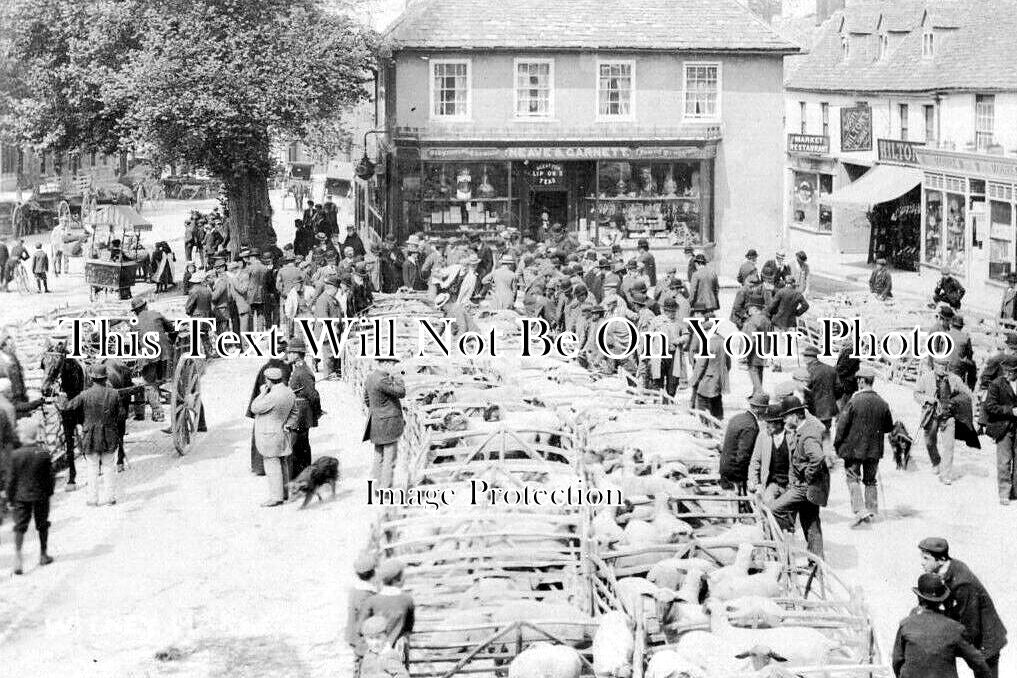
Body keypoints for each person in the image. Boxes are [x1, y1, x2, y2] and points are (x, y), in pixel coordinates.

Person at [918, 538, 1007, 676]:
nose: (922, 562)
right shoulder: (947, 568)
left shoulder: (962, 584)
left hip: (986, 642)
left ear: (941, 559)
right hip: (976, 635)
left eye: (926, 558)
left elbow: (971, 627)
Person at [892, 573, 992, 678]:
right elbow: (978, 663)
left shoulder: (906, 625)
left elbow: (897, 662)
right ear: (941, 601)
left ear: (919, 598)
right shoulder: (955, 629)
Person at [772, 395, 829, 559]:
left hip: (806, 486)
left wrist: (808, 476)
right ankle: (817, 560)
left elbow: (818, 457)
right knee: (810, 520)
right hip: (811, 486)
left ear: (795, 416)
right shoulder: (801, 430)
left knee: (774, 509)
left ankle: (785, 548)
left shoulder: (807, 434)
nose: (783, 420)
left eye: (785, 417)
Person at [835, 366, 894, 525]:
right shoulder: (883, 403)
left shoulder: (853, 402)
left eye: (858, 380)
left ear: (861, 381)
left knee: (852, 478)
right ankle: (873, 511)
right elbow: (889, 427)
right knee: (870, 480)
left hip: (853, 449)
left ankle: (860, 510)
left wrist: (837, 444)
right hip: (874, 449)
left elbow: (841, 426)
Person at [58, 364, 123, 507]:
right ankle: (110, 498)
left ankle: (93, 500)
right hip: (109, 437)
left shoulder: (84, 395)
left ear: (92, 378)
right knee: (108, 467)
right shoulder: (114, 394)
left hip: (90, 438)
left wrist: (61, 398)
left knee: (92, 468)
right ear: (106, 378)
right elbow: (121, 415)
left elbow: (67, 407)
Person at [6, 417, 55, 575]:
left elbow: (11, 480)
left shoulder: (15, 455)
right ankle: (43, 554)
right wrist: (49, 492)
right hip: (41, 495)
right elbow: (50, 478)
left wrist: (10, 498)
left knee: (20, 527)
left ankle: (18, 558)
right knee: (42, 524)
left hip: (21, 496)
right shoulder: (43, 453)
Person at [42, 333, 85, 491]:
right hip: (65, 398)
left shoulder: (73, 366)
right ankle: (72, 475)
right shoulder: (56, 366)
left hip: (76, 396)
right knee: (68, 438)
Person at [249, 367, 295, 507]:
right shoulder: (289, 392)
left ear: (269, 381)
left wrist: (262, 393)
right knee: (283, 463)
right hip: (282, 432)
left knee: (272, 465)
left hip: (269, 435)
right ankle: (285, 493)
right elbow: (294, 413)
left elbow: (254, 407)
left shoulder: (271, 396)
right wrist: (287, 425)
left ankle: (276, 497)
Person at [246, 354, 292, 477]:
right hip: (277, 409)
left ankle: (259, 467)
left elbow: (257, 392)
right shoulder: (285, 368)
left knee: (260, 437)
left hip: (263, 407)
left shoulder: (265, 367)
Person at [363, 356, 406, 490]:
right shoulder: (382, 379)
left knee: (378, 456)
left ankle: (376, 487)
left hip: (376, 422)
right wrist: (398, 376)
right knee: (389, 459)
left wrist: (378, 410)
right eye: (393, 364)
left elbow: (366, 398)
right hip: (387, 424)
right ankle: (385, 489)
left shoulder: (371, 377)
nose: (394, 368)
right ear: (386, 363)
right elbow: (401, 392)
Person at [357, 559, 415, 655]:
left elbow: (360, 629)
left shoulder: (371, 601)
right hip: (397, 652)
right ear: (398, 579)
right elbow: (409, 628)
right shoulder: (407, 600)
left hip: (375, 651)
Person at [131, 297, 175, 422]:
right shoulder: (156, 314)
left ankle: (158, 413)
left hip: (148, 357)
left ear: (135, 311)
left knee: (149, 384)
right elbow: (171, 329)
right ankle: (161, 385)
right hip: (165, 353)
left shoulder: (134, 322)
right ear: (145, 306)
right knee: (159, 379)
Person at [719, 393, 769, 502]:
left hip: (724, 466)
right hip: (734, 472)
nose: (766, 412)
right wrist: (751, 477)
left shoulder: (737, 418)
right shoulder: (751, 426)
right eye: (765, 408)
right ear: (757, 409)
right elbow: (743, 456)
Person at [982, 355, 1017, 504]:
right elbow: (990, 406)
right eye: (1006, 371)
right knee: (1004, 460)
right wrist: (1011, 411)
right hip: (1003, 426)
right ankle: (1004, 492)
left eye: (1011, 372)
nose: (1007, 375)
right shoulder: (996, 384)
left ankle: (1015, 491)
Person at [285, 336, 320, 480]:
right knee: (301, 447)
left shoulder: (303, 372)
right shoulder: (298, 369)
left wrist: (316, 412)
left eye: (290, 352)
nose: (288, 355)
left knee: (298, 449)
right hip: (300, 414)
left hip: (301, 415)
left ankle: (299, 478)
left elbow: (313, 395)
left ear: (297, 354)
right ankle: (303, 477)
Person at [748, 404, 792, 506]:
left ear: (779, 424)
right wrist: (754, 482)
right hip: (772, 484)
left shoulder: (792, 436)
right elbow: (755, 460)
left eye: (770, 422)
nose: (766, 425)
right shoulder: (763, 436)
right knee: (767, 504)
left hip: (790, 484)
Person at [690, 319, 731, 420]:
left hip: (707, 380)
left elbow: (701, 365)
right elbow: (728, 364)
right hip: (719, 380)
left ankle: (705, 430)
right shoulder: (723, 341)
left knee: (702, 403)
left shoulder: (707, 343)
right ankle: (718, 425)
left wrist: (693, 381)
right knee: (717, 402)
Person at [347, 552, 379, 668]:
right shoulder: (369, 594)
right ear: (374, 573)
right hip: (363, 638)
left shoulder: (354, 590)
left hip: (353, 634)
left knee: (359, 663)